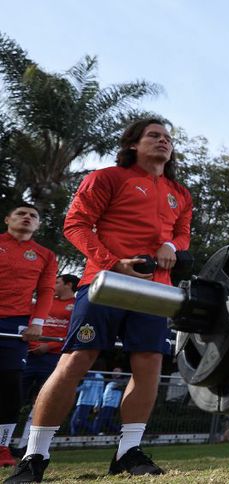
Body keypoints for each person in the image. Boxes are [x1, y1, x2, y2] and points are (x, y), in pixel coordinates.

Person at [6, 118, 193, 483]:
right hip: (104, 282)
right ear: (133, 144)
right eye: (154, 136)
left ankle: (128, 452)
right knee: (77, 359)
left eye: (167, 138)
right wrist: (113, 263)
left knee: (149, 363)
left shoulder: (180, 194)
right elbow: (75, 224)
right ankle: (35, 455)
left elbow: (183, 234)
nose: (163, 141)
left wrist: (172, 246)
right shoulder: (107, 178)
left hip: (156, 289)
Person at [0, 204, 57, 468]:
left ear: (38, 225)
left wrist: (37, 323)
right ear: (7, 219)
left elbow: (46, 291)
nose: (27, 217)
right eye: (21, 213)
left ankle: (2, 446)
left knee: (11, 386)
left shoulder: (46, 255)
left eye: (33, 215)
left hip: (16, 324)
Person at [14, 274, 78, 456]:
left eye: (57, 282)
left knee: (42, 402)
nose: (53, 285)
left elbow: (73, 333)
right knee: (13, 397)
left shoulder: (76, 305)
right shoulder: (43, 302)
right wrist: (31, 345)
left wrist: (49, 346)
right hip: (30, 356)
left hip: (54, 358)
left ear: (68, 285)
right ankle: (5, 441)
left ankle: (27, 446)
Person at [69, 362, 105, 435]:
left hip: (84, 400)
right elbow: (100, 392)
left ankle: (95, 433)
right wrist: (98, 403)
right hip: (91, 401)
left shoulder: (91, 374)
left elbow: (86, 386)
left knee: (75, 421)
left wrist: (74, 389)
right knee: (78, 421)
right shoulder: (101, 377)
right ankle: (76, 436)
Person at [91, 368, 124, 435]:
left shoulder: (119, 382)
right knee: (107, 421)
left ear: (121, 374)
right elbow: (104, 394)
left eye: (117, 372)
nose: (115, 373)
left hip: (110, 404)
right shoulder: (110, 383)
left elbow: (122, 385)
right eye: (114, 371)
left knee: (99, 419)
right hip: (105, 404)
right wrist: (99, 404)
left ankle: (94, 432)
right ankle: (120, 432)